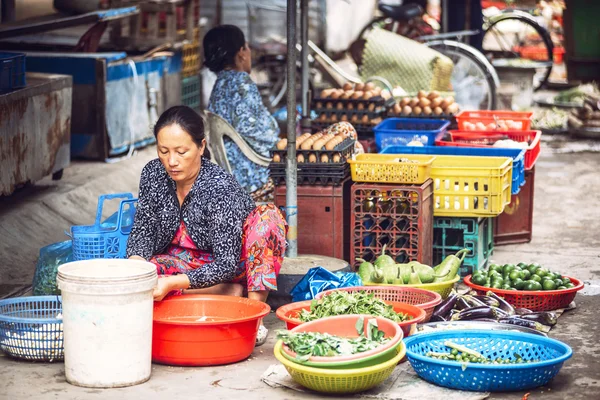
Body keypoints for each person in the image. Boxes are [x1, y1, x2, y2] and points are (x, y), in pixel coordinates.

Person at [126, 105, 287, 346]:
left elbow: (226, 263)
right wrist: (137, 267)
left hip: (235, 263)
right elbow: (143, 227)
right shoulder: (153, 174)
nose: (172, 161)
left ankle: (253, 312)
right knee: (142, 277)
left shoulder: (219, 187)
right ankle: (225, 293)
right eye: (164, 151)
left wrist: (172, 283)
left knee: (267, 218)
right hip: (186, 261)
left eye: (181, 152)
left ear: (201, 147)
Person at [204, 24, 280, 202]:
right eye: (247, 47)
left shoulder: (219, 85)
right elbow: (255, 132)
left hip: (234, 174)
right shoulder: (241, 83)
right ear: (241, 53)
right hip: (254, 179)